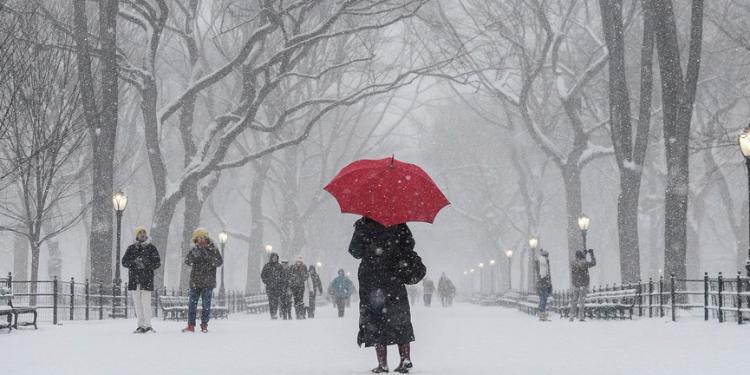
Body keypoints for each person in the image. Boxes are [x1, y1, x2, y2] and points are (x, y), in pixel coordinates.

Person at [349, 217, 426, 374]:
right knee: (400, 319)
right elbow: (409, 245)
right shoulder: (398, 223)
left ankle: (382, 364)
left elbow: (355, 251)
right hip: (394, 279)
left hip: (372, 281)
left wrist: (371, 246)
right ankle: (405, 359)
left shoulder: (364, 224)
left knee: (376, 321)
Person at [182, 228, 223, 333]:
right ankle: (191, 325)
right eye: (199, 238)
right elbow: (187, 261)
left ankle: (204, 325)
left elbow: (219, 262)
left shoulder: (213, 248)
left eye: (203, 238)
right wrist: (194, 257)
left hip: (208, 282)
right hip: (195, 281)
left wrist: (208, 257)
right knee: (192, 304)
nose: (201, 240)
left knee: (206, 305)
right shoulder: (194, 249)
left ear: (207, 238)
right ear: (196, 239)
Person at [121, 226, 161, 333]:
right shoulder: (131, 248)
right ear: (136, 235)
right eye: (140, 232)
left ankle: (147, 325)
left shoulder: (151, 248)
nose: (142, 234)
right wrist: (134, 263)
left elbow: (157, 263)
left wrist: (145, 264)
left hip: (146, 280)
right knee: (137, 305)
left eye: (144, 232)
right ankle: (140, 325)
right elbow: (124, 261)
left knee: (146, 304)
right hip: (134, 280)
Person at [569, 249, 596, 322]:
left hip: (576, 285)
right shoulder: (584, 263)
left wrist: (574, 283)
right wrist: (591, 254)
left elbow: (573, 273)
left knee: (574, 301)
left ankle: (571, 316)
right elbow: (593, 263)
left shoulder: (573, 263)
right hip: (583, 284)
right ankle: (581, 316)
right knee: (582, 301)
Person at [261, 252, 284, 319]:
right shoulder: (267, 266)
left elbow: (282, 276)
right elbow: (263, 275)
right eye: (273, 258)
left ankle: (275, 312)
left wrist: (280, 282)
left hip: (277, 287)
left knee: (276, 301)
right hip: (269, 287)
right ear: (271, 258)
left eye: (276, 258)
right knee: (271, 301)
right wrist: (267, 281)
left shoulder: (279, 266)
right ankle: (272, 314)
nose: (275, 259)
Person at [535, 249, 552, 321]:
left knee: (543, 298)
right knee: (543, 299)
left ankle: (542, 315)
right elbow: (544, 274)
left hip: (541, 283)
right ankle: (542, 315)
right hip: (544, 283)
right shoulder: (543, 262)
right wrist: (548, 283)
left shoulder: (541, 261)